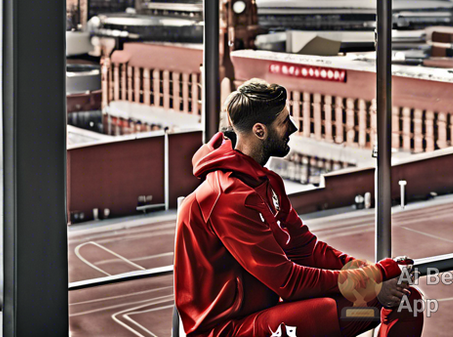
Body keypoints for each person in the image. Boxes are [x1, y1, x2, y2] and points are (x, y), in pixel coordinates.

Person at [175, 79, 426, 337]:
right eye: (284, 121)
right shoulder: (226, 197)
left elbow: (306, 249)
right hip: (227, 331)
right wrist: (376, 275)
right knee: (322, 311)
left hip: (266, 315)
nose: (293, 128)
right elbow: (288, 281)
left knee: (406, 301)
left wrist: (371, 276)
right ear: (260, 131)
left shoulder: (267, 182)